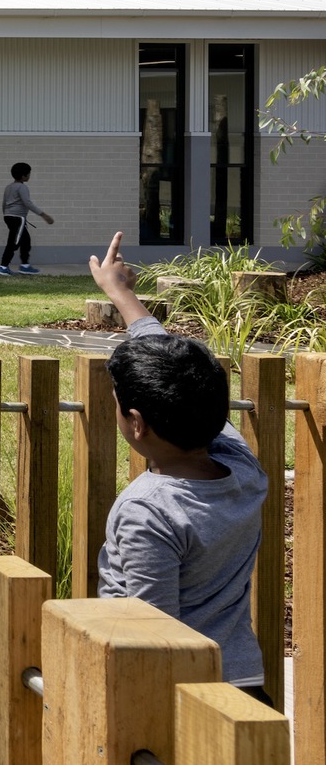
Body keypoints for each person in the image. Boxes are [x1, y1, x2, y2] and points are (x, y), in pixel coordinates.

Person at [89, 231, 270, 700]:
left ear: (136, 422)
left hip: (181, 701)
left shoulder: (148, 511)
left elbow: (157, 633)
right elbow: (178, 371)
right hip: (243, 681)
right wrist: (122, 295)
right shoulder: (241, 466)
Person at [0, 161, 54, 276]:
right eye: (28, 174)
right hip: (17, 218)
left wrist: (6, 215)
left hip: (10, 217)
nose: (29, 176)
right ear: (24, 176)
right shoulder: (22, 187)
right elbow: (27, 203)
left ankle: (25, 266)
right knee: (13, 243)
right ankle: (3, 267)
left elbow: (4, 203)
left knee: (25, 241)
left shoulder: (9, 187)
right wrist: (43, 215)